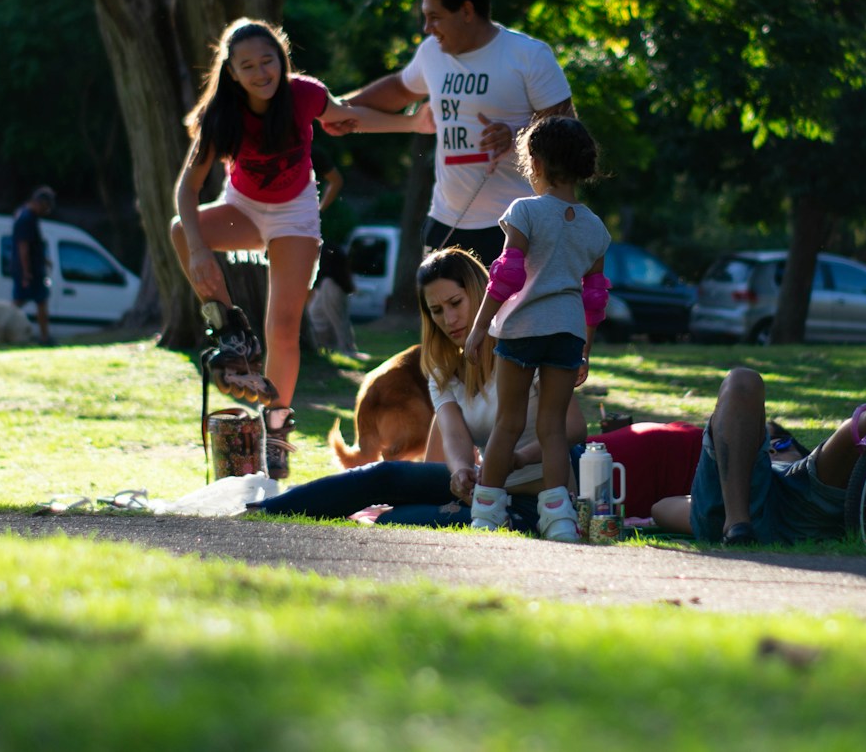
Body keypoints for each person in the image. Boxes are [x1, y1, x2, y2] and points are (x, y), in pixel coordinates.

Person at [172, 18, 418, 478]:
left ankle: (277, 429)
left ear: (281, 59)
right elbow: (187, 190)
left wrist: (414, 123)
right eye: (248, 66)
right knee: (180, 230)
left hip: (294, 216)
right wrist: (202, 253)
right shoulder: (221, 115)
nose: (261, 72)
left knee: (283, 328)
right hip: (243, 207)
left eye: (268, 60)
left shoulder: (303, 93)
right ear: (232, 72)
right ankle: (230, 333)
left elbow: (349, 114)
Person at [654, 266, 866, 546]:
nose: (768, 442)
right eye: (767, 439)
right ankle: (738, 524)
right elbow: (661, 509)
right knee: (743, 381)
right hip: (758, 506)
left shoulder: (796, 466)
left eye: (775, 441)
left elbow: (661, 509)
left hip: (798, 498)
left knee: (854, 432)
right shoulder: (749, 464)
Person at [250, 247, 589, 530]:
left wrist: (513, 459)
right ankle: (259, 514)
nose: (449, 319)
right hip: (486, 489)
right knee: (383, 477)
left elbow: (573, 426)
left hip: (540, 495)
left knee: (395, 521)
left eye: (456, 303)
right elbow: (453, 433)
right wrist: (458, 472)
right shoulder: (443, 365)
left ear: (478, 292)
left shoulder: (524, 344)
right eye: (437, 310)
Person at [327, 0, 574, 265]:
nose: (427, 28)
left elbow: (568, 131)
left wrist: (517, 136)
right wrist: (339, 107)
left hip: (515, 226)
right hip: (446, 222)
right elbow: (400, 89)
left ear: (467, 12)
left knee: (507, 316)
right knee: (439, 313)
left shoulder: (528, 56)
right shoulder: (432, 53)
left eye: (435, 18)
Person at [464, 116, 610, 541]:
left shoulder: (524, 212)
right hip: (567, 333)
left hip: (522, 327)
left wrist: (478, 327)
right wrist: (587, 350)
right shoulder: (595, 228)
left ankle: (487, 514)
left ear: (536, 163)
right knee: (551, 428)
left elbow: (507, 275)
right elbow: (595, 297)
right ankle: (559, 519)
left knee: (508, 423)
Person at [11, 186, 56, 345]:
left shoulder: (23, 214)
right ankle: (44, 337)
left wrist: (43, 260)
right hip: (29, 270)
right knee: (25, 302)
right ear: (39, 203)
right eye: (46, 206)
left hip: (30, 268)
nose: (46, 211)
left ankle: (44, 336)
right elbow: (23, 247)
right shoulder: (27, 219)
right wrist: (26, 272)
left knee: (24, 301)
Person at [308, 241, 357, 354]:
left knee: (338, 318)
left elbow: (338, 320)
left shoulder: (329, 284)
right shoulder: (331, 283)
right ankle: (343, 347)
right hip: (322, 335)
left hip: (321, 335)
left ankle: (346, 349)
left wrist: (348, 349)